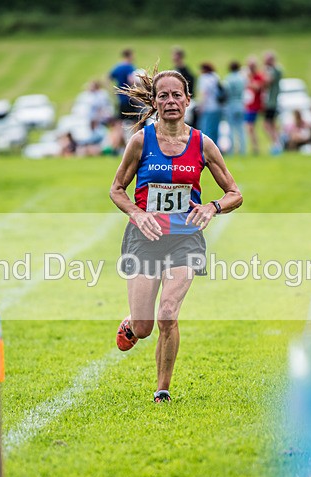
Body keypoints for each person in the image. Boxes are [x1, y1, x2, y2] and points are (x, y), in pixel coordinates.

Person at [108, 68, 243, 403]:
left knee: (168, 314)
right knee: (144, 327)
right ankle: (133, 322)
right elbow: (117, 189)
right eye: (163, 96)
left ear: (188, 100)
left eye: (176, 95)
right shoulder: (141, 141)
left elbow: (235, 193)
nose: (170, 101)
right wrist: (138, 214)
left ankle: (162, 390)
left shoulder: (202, 143)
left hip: (186, 238)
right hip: (145, 237)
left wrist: (212, 207)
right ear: (155, 102)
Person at [262, 51, 284, 154]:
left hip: (271, 103)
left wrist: (263, 73)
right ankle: (276, 144)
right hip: (272, 102)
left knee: (267, 125)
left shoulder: (275, 70)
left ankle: (276, 143)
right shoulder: (275, 70)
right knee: (273, 125)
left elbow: (267, 81)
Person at [224, 61, 247, 156]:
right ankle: (243, 150)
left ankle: (232, 150)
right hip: (240, 104)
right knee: (241, 128)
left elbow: (226, 92)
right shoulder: (242, 78)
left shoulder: (229, 78)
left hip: (231, 104)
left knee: (231, 129)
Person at [196, 62, 222, 144]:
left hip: (208, 107)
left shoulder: (203, 78)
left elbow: (204, 94)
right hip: (218, 107)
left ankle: (206, 147)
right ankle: (215, 147)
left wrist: (200, 106)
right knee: (215, 130)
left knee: (206, 130)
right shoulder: (215, 77)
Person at [244, 57, 265, 156]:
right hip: (248, 106)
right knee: (249, 128)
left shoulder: (258, 76)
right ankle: (254, 147)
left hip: (255, 106)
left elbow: (257, 87)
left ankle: (256, 147)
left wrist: (249, 80)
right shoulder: (249, 76)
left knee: (251, 127)